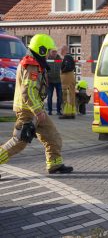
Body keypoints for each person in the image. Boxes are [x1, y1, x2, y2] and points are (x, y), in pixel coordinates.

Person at [0, 34, 73, 177]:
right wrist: (38, 111)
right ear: (41, 50)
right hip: (28, 111)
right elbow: (28, 91)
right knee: (19, 141)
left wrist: (39, 110)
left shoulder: (35, 63)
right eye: (48, 51)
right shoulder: (32, 65)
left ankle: (54, 164)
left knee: (53, 136)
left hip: (35, 110)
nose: (50, 54)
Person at [60, 45, 76, 119]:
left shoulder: (67, 57)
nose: (60, 52)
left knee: (66, 95)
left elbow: (68, 67)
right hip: (70, 78)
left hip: (67, 79)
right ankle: (72, 112)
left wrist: (62, 70)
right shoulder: (70, 57)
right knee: (71, 95)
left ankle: (67, 113)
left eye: (61, 50)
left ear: (64, 50)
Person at [46, 49, 63, 115]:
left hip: (58, 80)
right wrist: (46, 79)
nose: (54, 53)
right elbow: (45, 70)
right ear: (50, 53)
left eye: (55, 52)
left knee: (60, 96)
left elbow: (63, 68)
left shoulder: (60, 59)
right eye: (53, 52)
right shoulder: (47, 60)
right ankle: (50, 111)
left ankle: (58, 111)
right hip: (50, 81)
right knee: (49, 96)